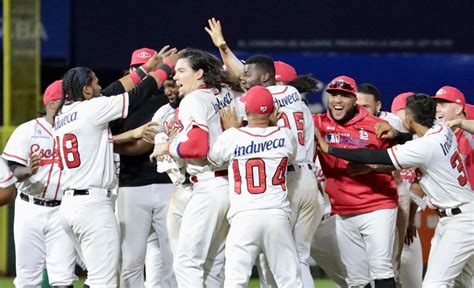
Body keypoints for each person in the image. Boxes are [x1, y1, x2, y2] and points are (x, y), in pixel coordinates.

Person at [315, 94, 474, 288]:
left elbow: (375, 155)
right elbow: (412, 137)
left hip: (461, 221)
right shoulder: (441, 130)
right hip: (459, 214)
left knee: (435, 284)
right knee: (465, 281)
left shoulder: (424, 146)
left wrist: (329, 149)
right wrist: (397, 135)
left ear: (408, 118)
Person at [53, 47, 174, 287]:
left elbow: (113, 90)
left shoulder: (63, 113)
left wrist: (144, 69)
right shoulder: (92, 109)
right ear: (86, 90)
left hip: (69, 207)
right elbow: (136, 95)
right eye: (95, 84)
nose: (100, 88)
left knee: (97, 277)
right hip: (92, 206)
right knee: (104, 281)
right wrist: (165, 68)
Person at [149, 48, 237, 287]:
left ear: (199, 74)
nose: (175, 77)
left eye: (180, 71)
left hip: (209, 185)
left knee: (186, 262)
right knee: (212, 265)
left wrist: (168, 147)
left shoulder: (194, 99)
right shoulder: (227, 92)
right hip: (231, 185)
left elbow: (198, 147)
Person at [208, 85, 302, 287]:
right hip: (277, 215)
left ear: (247, 110)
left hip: (245, 215)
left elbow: (213, 158)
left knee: (235, 280)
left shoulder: (232, 136)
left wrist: (232, 128)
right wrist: (272, 124)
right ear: (270, 111)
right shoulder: (285, 135)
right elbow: (290, 154)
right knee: (290, 280)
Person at [313, 76, 398, 288]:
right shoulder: (319, 124)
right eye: (333, 95)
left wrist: (373, 167)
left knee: (381, 269)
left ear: (354, 100)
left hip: (377, 206)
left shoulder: (376, 125)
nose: (337, 100)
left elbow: (398, 161)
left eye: (344, 95)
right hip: (343, 211)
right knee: (357, 280)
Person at [108, 47, 177, 288]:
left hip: (167, 183)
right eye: (138, 68)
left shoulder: (166, 101)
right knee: (130, 260)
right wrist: (128, 138)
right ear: (130, 71)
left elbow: (142, 145)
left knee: (171, 257)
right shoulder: (116, 105)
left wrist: (112, 143)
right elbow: (103, 141)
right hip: (130, 186)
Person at [2, 80, 78, 288]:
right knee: (28, 277)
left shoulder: (78, 130)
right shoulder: (27, 131)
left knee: (63, 276)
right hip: (30, 207)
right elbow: (13, 168)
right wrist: (27, 171)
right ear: (52, 103)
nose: (73, 105)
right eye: (68, 101)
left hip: (63, 208)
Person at [390, 92, 424, 288]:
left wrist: (410, 219)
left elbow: (420, 182)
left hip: (408, 228)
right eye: (406, 111)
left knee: (413, 284)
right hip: (383, 222)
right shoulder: (385, 139)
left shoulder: (422, 142)